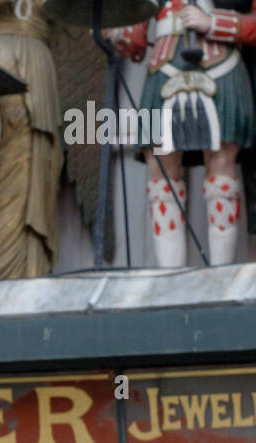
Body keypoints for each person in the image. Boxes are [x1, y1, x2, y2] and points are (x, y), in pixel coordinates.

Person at [107, 2, 256, 266]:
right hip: (164, 65)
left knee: (221, 159)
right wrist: (118, 33)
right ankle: (170, 275)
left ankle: (221, 274)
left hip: (221, 60)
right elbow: (136, 37)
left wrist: (213, 23)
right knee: (160, 163)